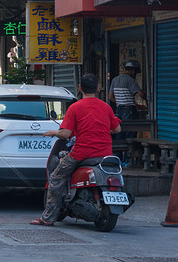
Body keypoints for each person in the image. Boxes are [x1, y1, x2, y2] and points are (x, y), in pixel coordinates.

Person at [31, 73, 121, 226]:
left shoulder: (75, 108)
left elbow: (65, 134)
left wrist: (53, 132)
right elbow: (117, 129)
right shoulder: (105, 107)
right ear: (98, 88)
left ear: (80, 88)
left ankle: (48, 218)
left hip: (82, 153)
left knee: (56, 178)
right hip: (105, 154)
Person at [108, 60, 145, 163]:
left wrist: (120, 102)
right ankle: (129, 160)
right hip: (129, 110)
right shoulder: (130, 80)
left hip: (119, 109)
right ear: (133, 71)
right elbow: (140, 93)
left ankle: (119, 159)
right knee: (130, 135)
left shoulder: (115, 79)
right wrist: (146, 98)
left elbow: (110, 97)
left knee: (120, 133)